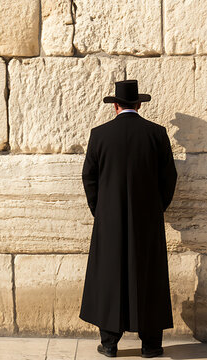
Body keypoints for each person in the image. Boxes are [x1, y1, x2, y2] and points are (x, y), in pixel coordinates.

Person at [79, 80, 177, 358]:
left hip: (108, 219)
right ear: (139, 104)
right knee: (149, 274)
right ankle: (151, 345)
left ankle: (109, 343)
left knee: (110, 275)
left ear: (115, 105)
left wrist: (100, 210)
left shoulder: (100, 134)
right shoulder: (156, 134)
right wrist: (157, 208)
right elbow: (169, 177)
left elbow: (89, 177)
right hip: (147, 218)